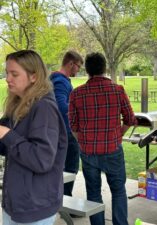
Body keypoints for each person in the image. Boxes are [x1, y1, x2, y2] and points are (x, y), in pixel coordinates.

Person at [0, 50, 67, 224]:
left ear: (34, 77)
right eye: (7, 73)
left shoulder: (44, 108)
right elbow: (5, 146)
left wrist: (7, 135)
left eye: (14, 74)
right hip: (15, 203)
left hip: (35, 206)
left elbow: (41, 159)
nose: (8, 78)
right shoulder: (17, 104)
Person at [68, 52, 136, 225]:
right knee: (118, 190)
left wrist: (83, 141)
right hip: (112, 149)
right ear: (105, 68)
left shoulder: (77, 93)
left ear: (88, 70)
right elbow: (130, 119)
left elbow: (73, 126)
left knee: (93, 193)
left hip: (89, 152)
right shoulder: (117, 90)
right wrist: (117, 134)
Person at [49, 50, 83, 198]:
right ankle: (65, 202)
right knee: (70, 167)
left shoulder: (57, 79)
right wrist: (79, 114)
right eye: (78, 66)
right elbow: (61, 106)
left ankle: (60, 199)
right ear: (71, 63)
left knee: (61, 167)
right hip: (65, 131)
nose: (78, 70)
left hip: (59, 130)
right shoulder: (60, 81)